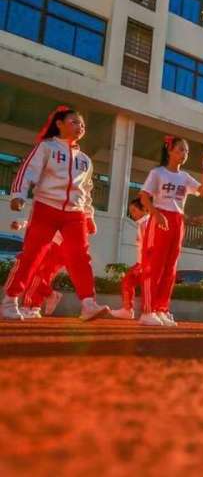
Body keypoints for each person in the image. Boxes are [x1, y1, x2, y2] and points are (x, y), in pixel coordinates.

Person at [2, 106, 109, 321]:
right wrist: (19, 195)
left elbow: (86, 190)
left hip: (75, 214)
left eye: (82, 125)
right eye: (74, 122)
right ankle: (9, 301)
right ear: (59, 124)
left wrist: (89, 215)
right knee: (32, 255)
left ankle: (88, 304)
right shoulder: (46, 147)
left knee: (81, 257)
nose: (80, 127)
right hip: (46, 207)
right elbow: (27, 170)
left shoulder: (85, 160)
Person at [139, 136, 203, 327]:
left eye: (186, 151)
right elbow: (144, 196)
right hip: (160, 218)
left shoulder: (184, 177)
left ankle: (161, 309)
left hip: (178, 221)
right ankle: (147, 311)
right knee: (155, 265)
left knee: (170, 268)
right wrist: (156, 214)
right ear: (169, 150)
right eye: (180, 149)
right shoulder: (158, 173)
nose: (184, 154)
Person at [5, 219, 64, 318]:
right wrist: (21, 223)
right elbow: (37, 218)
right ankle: (36, 307)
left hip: (55, 245)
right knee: (39, 275)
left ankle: (29, 306)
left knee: (36, 274)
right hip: (53, 244)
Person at [109, 198, 149, 320]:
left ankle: (148, 313)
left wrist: (144, 265)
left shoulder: (146, 224)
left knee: (136, 284)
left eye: (134, 210)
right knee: (128, 281)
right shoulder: (142, 224)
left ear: (144, 209)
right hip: (141, 263)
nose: (132, 214)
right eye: (130, 211)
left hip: (146, 263)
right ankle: (128, 310)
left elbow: (149, 246)